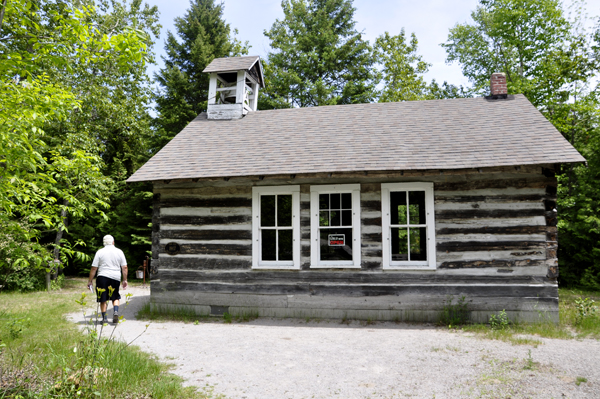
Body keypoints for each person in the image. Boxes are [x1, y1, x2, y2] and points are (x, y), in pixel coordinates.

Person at [87, 235, 128, 324]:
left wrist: (90, 281)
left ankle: (104, 318)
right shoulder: (119, 252)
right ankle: (115, 312)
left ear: (104, 243)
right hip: (115, 277)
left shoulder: (100, 252)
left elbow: (94, 268)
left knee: (103, 297)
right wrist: (124, 279)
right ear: (113, 242)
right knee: (115, 296)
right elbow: (124, 267)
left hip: (102, 277)